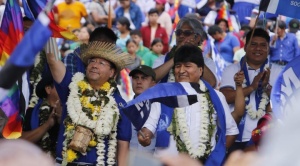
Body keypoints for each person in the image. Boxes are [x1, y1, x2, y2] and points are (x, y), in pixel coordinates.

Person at [138, 45, 238, 164]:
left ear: (200, 70)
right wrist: (144, 136)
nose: (181, 71)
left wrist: (216, 158)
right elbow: (149, 126)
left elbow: (231, 131)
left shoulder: (216, 97)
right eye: (178, 66)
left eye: (187, 66)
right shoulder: (163, 95)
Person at [46, 41, 133, 165]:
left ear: (112, 73)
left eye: (101, 63)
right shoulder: (72, 87)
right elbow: (53, 61)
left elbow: (123, 144)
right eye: (92, 61)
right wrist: (48, 26)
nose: (95, 65)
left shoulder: (118, 103)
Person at [219, 28, 282, 153]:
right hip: (234, 135)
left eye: (263, 45)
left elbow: (283, 101)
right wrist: (252, 87)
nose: (258, 48)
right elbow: (225, 97)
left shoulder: (279, 72)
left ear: (268, 49)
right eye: (253, 44)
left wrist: (266, 88)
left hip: (266, 137)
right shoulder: (232, 69)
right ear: (245, 47)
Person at [153, 16, 218, 87]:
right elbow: (152, 79)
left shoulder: (207, 62)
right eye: (178, 33)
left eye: (187, 33)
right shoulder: (163, 59)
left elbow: (212, 83)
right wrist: (176, 56)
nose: (181, 36)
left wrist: (195, 54)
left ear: (198, 38)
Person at [21, 74, 61, 158]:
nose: (65, 90)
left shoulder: (71, 112)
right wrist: (47, 125)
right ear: (48, 89)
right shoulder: (31, 113)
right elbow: (21, 141)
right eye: (60, 87)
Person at [129, 65, 159, 154]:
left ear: (153, 84)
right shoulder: (124, 108)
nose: (139, 82)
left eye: (144, 78)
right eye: (135, 78)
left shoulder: (161, 108)